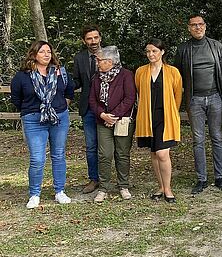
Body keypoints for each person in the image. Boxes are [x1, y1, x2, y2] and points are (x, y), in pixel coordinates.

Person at [11, 40, 74, 209]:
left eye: (49, 51)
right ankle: (34, 194)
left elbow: (69, 90)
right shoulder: (22, 76)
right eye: (42, 52)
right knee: (37, 159)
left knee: (58, 155)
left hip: (59, 118)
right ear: (34, 54)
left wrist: (60, 106)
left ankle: (60, 191)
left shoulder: (60, 72)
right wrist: (34, 109)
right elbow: (16, 98)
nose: (46, 55)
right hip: (33, 120)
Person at [175, 14, 222, 195]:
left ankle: (220, 177)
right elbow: (177, 76)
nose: (197, 28)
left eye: (200, 24)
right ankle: (202, 179)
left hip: (215, 97)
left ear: (205, 26)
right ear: (188, 28)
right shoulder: (183, 49)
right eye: (194, 25)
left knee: (217, 137)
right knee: (198, 140)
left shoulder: (217, 46)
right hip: (194, 99)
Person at [136, 39, 183, 203]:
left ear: (162, 52)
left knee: (163, 153)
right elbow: (140, 93)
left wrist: (172, 113)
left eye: (154, 51)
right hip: (148, 117)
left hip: (166, 116)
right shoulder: (141, 72)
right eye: (148, 51)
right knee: (154, 153)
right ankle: (161, 186)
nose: (151, 54)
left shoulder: (173, 71)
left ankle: (168, 188)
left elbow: (178, 95)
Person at [88, 46, 136, 203]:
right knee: (104, 154)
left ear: (109, 61)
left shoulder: (126, 75)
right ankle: (104, 187)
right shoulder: (96, 78)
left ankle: (123, 185)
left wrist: (113, 116)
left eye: (99, 60)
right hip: (102, 121)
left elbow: (129, 98)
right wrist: (103, 115)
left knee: (122, 154)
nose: (97, 63)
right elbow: (92, 100)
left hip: (122, 121)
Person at [72, 24, 102, 194]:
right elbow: (77, 81)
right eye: (89, 39)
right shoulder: (80, 58)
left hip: (107, 108)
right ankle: (94, 179)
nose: (93, 41)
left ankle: (111, 179)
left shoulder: (110, 54)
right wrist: (63, 84)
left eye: (95, 37)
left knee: (109, 147)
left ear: (100, 38)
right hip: (88, 109)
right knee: (91, 146)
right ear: (84, 41)